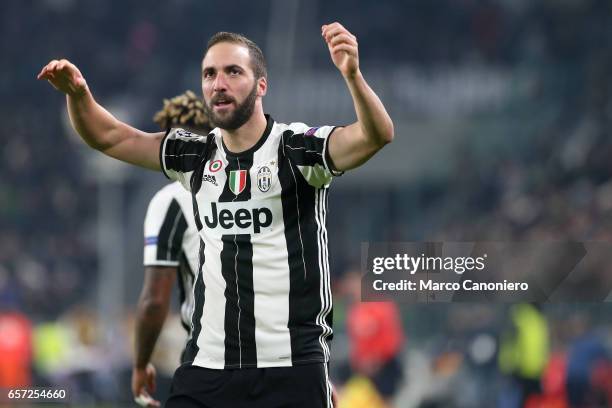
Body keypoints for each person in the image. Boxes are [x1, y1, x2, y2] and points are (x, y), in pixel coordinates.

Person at [38, 22, 394, 407]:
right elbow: (111, 137)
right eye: (210, 74)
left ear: (261, 85)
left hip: (291, 366)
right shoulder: (193, 156)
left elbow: (376, 135)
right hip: (208, 367)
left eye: (233, 72)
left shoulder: (297, 150)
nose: (218, 83)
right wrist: (79, 95)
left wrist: (353, 76)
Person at [132, 91, 212, 407]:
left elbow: (154, 301)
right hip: (280, 361)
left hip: (210, 356)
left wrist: (140, 363)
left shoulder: (171, 200)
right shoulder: (255, 185)